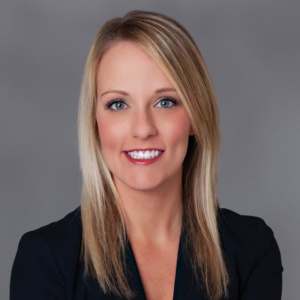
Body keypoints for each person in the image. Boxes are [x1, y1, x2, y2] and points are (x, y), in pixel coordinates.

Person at [10, 10, 283, 300]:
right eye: (118, 104)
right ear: (94, 122)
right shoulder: (45, 258)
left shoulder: (251, 248)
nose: (143, 129)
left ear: (194, 116)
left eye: (165, 102)